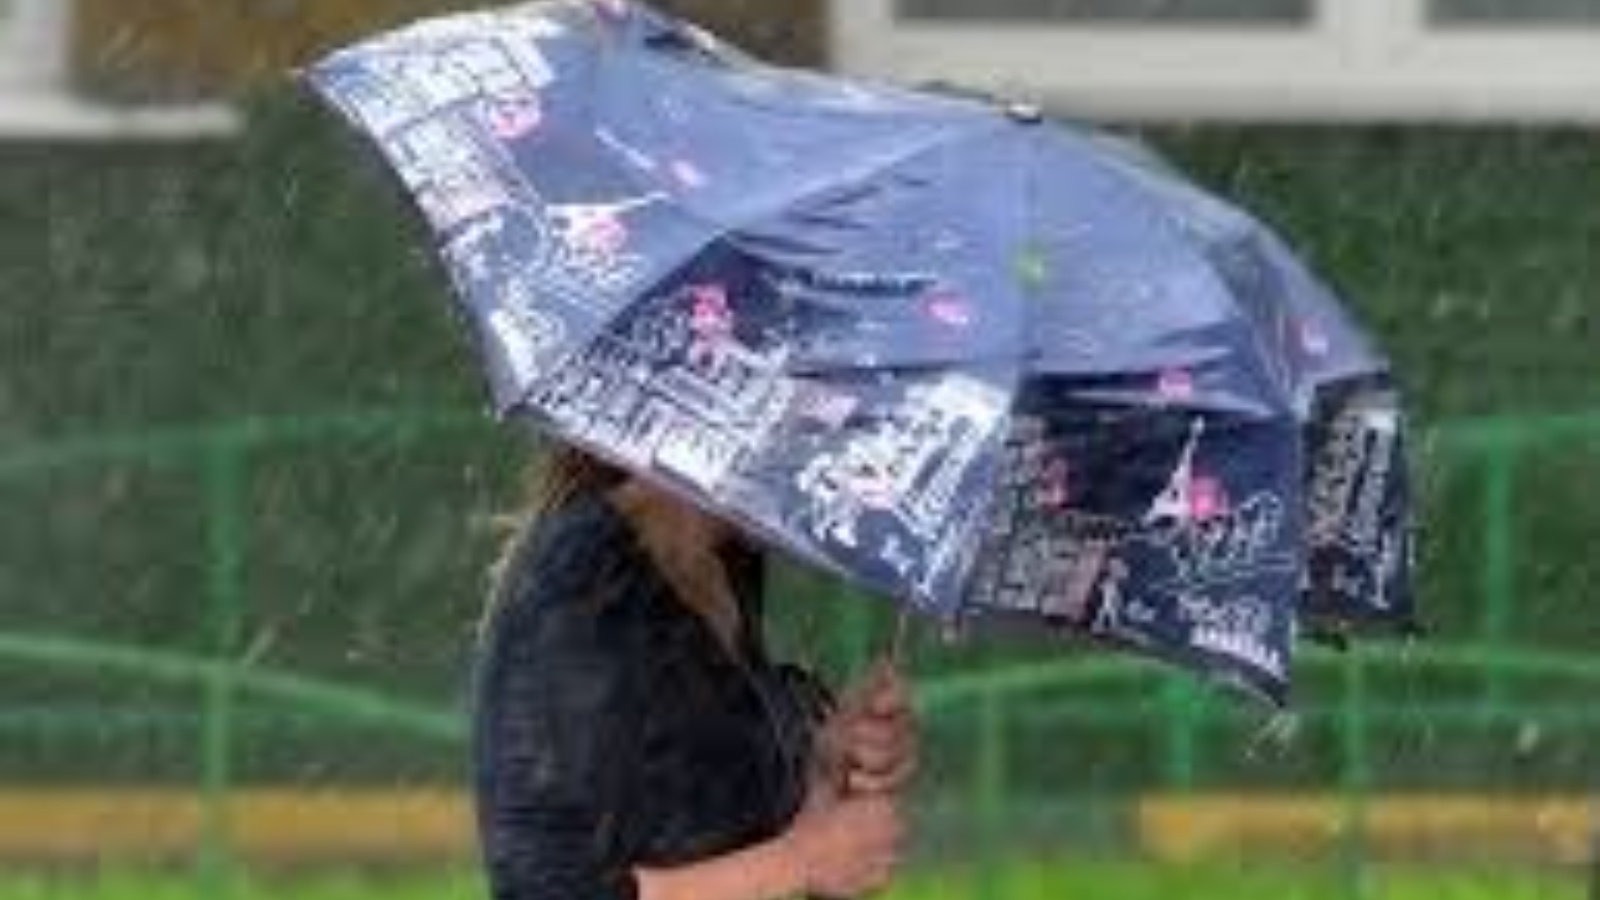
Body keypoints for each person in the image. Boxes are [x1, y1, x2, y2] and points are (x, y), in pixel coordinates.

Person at [473, 445, 920, 900]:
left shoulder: (723, 559)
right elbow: (547, 886)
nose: (823, 466)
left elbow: (697, 800)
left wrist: (824, 763)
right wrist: (803, 861)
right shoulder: (584, 577)